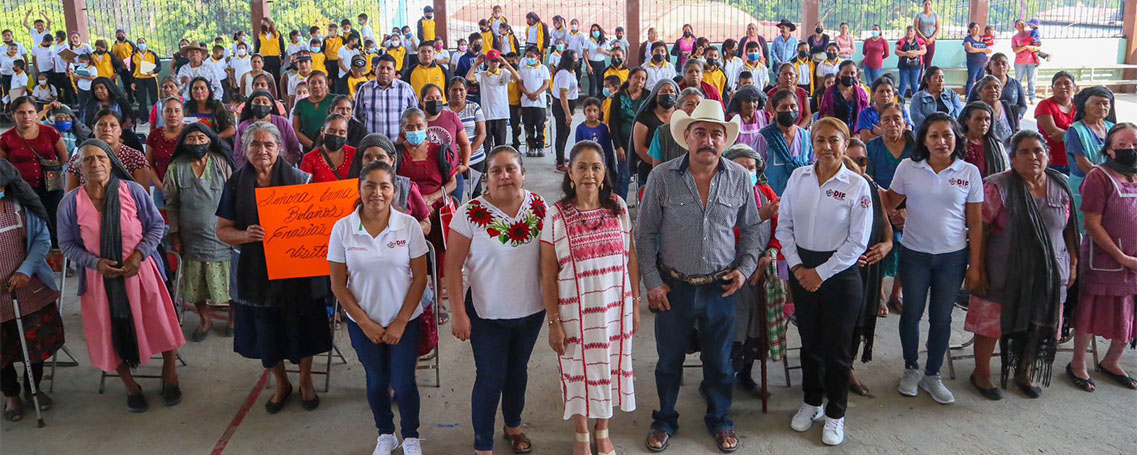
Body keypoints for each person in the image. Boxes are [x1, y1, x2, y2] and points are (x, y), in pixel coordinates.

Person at [638, 98, 761, 453]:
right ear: (687, 137)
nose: (708, 140)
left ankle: (720, 420)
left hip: (720, 288)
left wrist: (744, 269)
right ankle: (663, 418)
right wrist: (652, 282)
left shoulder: (739, 178)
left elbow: (752, 229)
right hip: (672, 287)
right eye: (700, 133)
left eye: (715, 134)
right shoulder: (661, 178)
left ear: (725, 140)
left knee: (720, 362)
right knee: (668, 361)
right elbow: (644, 234)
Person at [58, 139, 186, 412]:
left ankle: (170, 373)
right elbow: (67, 245)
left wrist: (139, 255)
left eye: (101, 158)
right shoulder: (70, 203)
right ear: (80, 167)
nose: (95, 164)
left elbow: (156, 227)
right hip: (99, 279)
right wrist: (94, 262)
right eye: (89, 159)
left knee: (161, 323)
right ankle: (130, 385)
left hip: (141, 271)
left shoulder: (133, 191)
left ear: (111, 163)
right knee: (108, 333)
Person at [216, 122, 331, 414]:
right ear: (244, 149)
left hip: (298, 271)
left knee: (302, 329)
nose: (262, 150)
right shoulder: (235, 183)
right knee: (267, 334)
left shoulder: (301, 180)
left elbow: (318, 225)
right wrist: (246, 236)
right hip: (256, 275)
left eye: (269, 144)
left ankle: (305, 381)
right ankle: (282, 383)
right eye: (254, 144)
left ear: (280, 148)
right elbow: (222, 230)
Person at [445, 146, 547, 455]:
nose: (504, 176)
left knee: (518, 372)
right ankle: (483, 445)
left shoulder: (539, 207)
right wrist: (458, 313)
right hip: (486, 314)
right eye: (496, 171)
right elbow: (452, 267)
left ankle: (513, 426)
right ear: (486, 177)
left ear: (522, 174)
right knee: (490, 378)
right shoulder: (469, 214)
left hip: (531, 311)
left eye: (510, 169)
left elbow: (550, 260)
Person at [777, 117, 872, 446]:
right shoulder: (798, 178)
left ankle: (835, 412)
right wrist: (798, 266)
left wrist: (821, 272)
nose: (827, 147)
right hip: (802, 268)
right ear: (812, 144)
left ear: (845, 144)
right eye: (820, 140)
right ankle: (811, 401)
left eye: (834, 140)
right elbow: (784, 226)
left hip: (840, 274)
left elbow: (858, 242)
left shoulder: (857, 185)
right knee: (810, 342)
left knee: (837, 348)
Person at [540, 140, 639, 455]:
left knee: (609, 367)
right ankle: (581, 433)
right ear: (570, 172)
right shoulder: (555, 216)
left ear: (605, 172)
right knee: (578, 371)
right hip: (574, 314)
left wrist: (635, 304)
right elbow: (547, 273)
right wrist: (554, 321)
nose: (589, 174)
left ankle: (603, 430)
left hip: (615, 310)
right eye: (581, 167)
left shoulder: (619, 207)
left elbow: (631, 257)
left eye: (596, 167)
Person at [964, 130, 1078, 400]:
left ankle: (1023, 373)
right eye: (1024, 152)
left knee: (1038, 325)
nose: (1033, 157)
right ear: (1012, 158)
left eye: (1038, 151)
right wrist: (976, 267)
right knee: (991, 325)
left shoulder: (1060, 186)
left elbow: (1070, 229)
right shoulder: (996, 187)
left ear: (1047, 155)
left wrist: (1073, 261)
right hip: (1003, 273)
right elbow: (980, 229)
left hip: (1049, 275)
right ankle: (981, 373)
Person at [328, 159, 428, 455]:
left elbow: (420, 278)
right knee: (376, 381)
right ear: (359, 189)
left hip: (405, 320)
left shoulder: (408, 226)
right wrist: (364, 322)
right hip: (363, 322)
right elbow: (338, 285)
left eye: (384, 186)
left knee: (404, 381)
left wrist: (400, 321)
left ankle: (410, 436)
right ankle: (386, 433)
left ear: (394, 191)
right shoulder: (343, 229)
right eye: (369, 186)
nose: (377, 193)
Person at [884, 112, 984, 405]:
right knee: (911, 314)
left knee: (941, 318)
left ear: (957, 138)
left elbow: (976, 223)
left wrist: (974, 265)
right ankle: (911, 367)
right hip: (915, 255)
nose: (941, 142)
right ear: (924, 140)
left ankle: (932, 374)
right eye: (934, 136)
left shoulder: (969, 173)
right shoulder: (908, 168)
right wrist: (860, 181)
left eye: (948, 135)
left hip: (952, 258)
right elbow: (889, 202)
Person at [1068, 122, 1137, 392]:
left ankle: (1111, 361)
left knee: (1130, 313)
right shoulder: (1098, 176)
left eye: (1134, 144)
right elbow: (1092, 224)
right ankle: (1077, 364)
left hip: (1135, 262)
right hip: (1105, 259)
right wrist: (1122, 257)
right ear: (1108, 149)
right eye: (1122, 145)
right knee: (1089, 313)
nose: (1130, 150)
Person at [0, 154, 64, 423]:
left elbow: (41, 240)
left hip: (29, 289)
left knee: (35, 345)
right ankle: (10, 394)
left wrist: (25, 270)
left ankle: (33, 388)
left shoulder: (21, 207)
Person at [163, 122, 235, 341]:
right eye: (191, 139)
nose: (196, 143)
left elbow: (234, 196)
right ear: (184, 142)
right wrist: (174, 235)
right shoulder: (176, 167)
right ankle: (205, 320)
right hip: (191, 238)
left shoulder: (221, 163)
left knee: (230, 282)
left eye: (201, 139)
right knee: (195, 284)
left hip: (223, 235)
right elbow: (171, 203)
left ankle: (233, 319)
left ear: (210, 140)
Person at [841, 140, 894, 397]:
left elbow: (885, 224)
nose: (857, 167)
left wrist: (886, 245)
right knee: (841, 320)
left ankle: (847, 368)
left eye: (861, 161)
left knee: (860, 319)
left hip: (870, 264)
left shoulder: (871, 185)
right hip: (841, 268)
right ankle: (832, 370)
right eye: (850, 161)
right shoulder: (833, 187)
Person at [864, 102, 914, 308]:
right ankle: (880, 293)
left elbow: (922, 184)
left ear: (904, 122)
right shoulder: (873, 147)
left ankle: (897, 293)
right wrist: (888, 210)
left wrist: (906, 212)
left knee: (908, 247)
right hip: (879, 206)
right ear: (879, 123)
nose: (892, 124)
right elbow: (868, 181)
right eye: (886, 119)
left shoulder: (915, 147)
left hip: (911, 209)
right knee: (880, 241)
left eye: (897, 119)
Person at [0, 97, 68, 241]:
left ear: (37, 113)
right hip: (21, 191)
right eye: (21, 113)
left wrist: (54, 171)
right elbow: (3, 168)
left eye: (30, 112)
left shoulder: (50, 132)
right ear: (13, 115)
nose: (26, 116)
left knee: (54, 222)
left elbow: (63, 157)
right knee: (29, 226)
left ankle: (57, 257)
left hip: (51, 189)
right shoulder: (6, 139)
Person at [348, 134, 432, 234]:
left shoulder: (407, 187)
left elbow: (426, 226)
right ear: (361, 160)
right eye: (368, 157)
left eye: (380, 157)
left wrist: (402, 229)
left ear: (392, 160)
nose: (373, 162)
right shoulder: (348, 190)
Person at [66, 110, 151, 191]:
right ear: (93, 129)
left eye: (113, 125)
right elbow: (70, 197)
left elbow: (142, 198)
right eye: (101, 125)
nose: (107, 129)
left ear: (120, 130)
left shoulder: (135, 158)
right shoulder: (80, 158)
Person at [1065, 87, 1116, 216]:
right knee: (1085, 225)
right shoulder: (1075, 131)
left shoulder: (1112, 128)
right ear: (1084, 106)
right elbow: (1083, 163)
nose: (1102, 107)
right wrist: (1107, 182)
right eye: (1096, 103)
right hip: (1083, 185)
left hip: (1109, 185)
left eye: (1105, 103)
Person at [758, 89, 813, 195]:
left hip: (802, 197)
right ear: (774, 112)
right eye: (783, 107)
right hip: (773, 201)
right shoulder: (764, 138)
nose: (789, 110)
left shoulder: (807, 137)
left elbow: (815, 167)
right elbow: (756, 171)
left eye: (793, 106)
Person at [466, 49, 519, 157]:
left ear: (500, 61)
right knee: (486, 145)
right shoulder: (483, 75)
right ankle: (486, 169)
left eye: (496, 61)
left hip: (501, 115)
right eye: (491, 61)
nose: (494, 63)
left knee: (500, 147)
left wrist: (507, 64)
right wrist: (476, 64)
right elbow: (468, 77)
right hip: (487, 115)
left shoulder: (504, 73)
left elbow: (517, 77)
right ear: (487, 62)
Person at [354, 54, 419, 142]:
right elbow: (359, 116)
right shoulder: (365, 89)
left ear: (395, 71)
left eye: (389, 68)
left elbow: (415, 115)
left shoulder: (405, 89)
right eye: (381, 68)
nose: (384, 71)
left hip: (399, 144)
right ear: (375, 69)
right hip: (373, 144)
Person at [606, 67, 649, 199]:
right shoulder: (619, 96)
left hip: (644, 144)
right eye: (636, 77)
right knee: (624, 177)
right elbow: (613, 122)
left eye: (642, 79)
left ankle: (645, 208)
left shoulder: (648, 96)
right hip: (625, 144)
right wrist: (618, 146)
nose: (639, 81)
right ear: (629, 78)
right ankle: (619, 208)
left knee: (644, 179)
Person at [235, 90, 302, 166]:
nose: (261, 104)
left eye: (265, 102)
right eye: (257, 102)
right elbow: (238, 155)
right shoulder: (243, 126)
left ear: (271, 106)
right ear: (251, 105)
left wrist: (284, 167)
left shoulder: (283, 122)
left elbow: (295, 150)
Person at [447, 77, 487, 195]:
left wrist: (466, 155)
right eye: (454, 90)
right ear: (448, 91)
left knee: (475, 192)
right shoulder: (443, 109)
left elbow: (482, 134)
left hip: (475, 158)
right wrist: (455, 157)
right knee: (452, 193)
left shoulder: (474, 107)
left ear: (466, 91)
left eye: (461, 90)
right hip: (450, 161)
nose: (458, 93)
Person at [967, 54, 1027, 125]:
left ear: (1008, 66)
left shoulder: (1016, 84)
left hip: (1011, 124)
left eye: (1004, 64)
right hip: (985, 124)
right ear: (990, 66)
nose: (1001, 66)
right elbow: (969, 106)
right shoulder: (980, 85)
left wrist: (1017, 116)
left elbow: (1023, 105)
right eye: (996, 64)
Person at [1036, 72, 1077, 174]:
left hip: (1078, 159)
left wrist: (1065, 134)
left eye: (1067, 83)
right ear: (1052, 88)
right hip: (1053, 161)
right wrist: (1078, 136)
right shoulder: (1045, 105)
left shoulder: (1080, 105)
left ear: (1074, 87)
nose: (1062, 87)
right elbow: (1053, 134)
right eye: (1058, 84)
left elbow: (1088, 130)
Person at [958, 101, 1012, 178]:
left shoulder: (996, 145)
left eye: (987, 119)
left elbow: (1006, 170)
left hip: (991, 188)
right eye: (978, 119)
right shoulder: (958, 144)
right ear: (967, 121)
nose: (984, 123)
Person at [518, 46, 551, 157]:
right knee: (529, 126)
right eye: (527, 56)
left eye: (532, 56)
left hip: (540, 103)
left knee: (540, 126)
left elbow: (546, 84)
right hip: (526, 103)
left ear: (538, 57)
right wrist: (528, 94)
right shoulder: (523, 69)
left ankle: (541, 146)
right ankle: (531, 146)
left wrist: (536, 93)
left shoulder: (543, 69)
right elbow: (520, 84)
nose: (529, 58)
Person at [856, 77, 912, 143]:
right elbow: (866, 138)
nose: (885, 94)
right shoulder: (866, 114)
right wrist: (894, 136)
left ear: (893, 94)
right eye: (881, 91)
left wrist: (880, 132)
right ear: (873, 94)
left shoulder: (901, 110)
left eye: (888, 91)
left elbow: (908, 133)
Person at [817, 61, 869, 131]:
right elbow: (823, 113)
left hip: (857, 134)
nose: (849, 75)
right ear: (839, 75)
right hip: (835, 132)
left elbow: (866, 114)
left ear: (856, 75)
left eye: (852, 73)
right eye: (846, 73)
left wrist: (861, 133)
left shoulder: (861, 92)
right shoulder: (830, 92)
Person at [145, 98, 185, 184]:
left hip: (188, 188)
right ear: (162, 114)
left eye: (177, 111)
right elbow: (149, 164)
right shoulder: (154, 135)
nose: (173, 115)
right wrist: (160, 186)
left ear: (183, 114)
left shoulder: (191, 133)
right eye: (168, 111)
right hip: (162, 187)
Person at [553, 50, 581, 170]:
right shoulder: (564, 73)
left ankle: (561, 155)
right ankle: (560, 163)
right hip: (562, 107)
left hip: (569, 105)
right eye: (575, 59)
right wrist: (567, 114)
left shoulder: (571, 71)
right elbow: (563, 95)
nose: (577, 61)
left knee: (566, 131)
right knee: (562, 133)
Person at [292, 71, 335, 149]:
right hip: (309, 150)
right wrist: (314, 146)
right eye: (313, 83)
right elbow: (296, 130)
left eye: (320, 82)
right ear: (308, 85)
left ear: (326, 84)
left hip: (333, 148)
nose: (317, 86)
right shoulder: (301, 104)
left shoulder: (335, 100)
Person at [973, 76, 1019, 149]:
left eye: (996, 87)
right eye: (988, 87)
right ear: (980, 93)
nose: (993, 90)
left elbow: (1017, 131)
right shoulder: (974, 111)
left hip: (1009, 155)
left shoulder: (1010, 109)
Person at [767, 64, 812, 129]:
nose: (788, 77)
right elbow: (769, 116)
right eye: (784, 74)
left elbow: (807, 115)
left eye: (791, 74)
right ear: (779, 77)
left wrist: (797, 131)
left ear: (796, 77)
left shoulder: (802, 93)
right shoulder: (771, 94)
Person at [727, 84, 768, 155]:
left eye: (754, 101)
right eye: (747, 101)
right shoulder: (731, 118)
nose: (751, 105)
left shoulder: (764, 117)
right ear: (739, 103)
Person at [129, 38, 160, 124]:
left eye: (143, 42)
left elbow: (159, 66)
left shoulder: (152, 54)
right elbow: (132, 69)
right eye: (139, 42)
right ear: (137, 44)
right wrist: (132, 82)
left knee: (154, 98)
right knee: (142, 100)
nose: (141, 44)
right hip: (139, 79)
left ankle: (157, 116)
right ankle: (144, 118)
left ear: (146, 43)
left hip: (151, 78)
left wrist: (153, 71)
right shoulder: (134, 55)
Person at [1012, 20, 1041, 104]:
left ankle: (1032, 96)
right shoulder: (1015, 37)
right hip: (1019, 62)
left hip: (1032, 60)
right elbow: (1015, 50)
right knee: (1018, 80)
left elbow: (1039, 46)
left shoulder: (1032, 33)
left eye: (1022, 23)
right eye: (1018, 24)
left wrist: (1032, 48)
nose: (1020, 25)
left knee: (1032, 80)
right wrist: (1026, 47)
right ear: (1015, 27)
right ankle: (1018, 97)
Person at [895, 26, 927, 98]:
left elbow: (924, 51)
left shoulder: (920, 41)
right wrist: (905, 53)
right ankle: (900, 100)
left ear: (915, 32)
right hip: (904, 66)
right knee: (903, 83)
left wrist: (916, 53)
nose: (909, 32)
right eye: (908, 31)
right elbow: (896, 51)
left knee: (914, 84)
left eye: (911, 31)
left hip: (916, 67)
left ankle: (916, 99)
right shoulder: (901, 41)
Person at [962, 22, 992, 98]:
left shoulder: (982, 38)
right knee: (971, 79)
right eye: (975, 28)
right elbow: (970, 49)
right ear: (970, 29)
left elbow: (989, 47)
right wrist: (983, 50)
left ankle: (979, 96)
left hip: (983, 63)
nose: (977, 30)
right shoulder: (968, 39)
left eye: (978, 28)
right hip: (973, 62)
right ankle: (968, 96)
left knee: (981, 80)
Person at [914, 0, 941, 68]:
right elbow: (916, 28)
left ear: (931, 5)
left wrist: (931, 38)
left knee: (928, 62)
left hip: (931, 41)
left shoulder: (935, 16)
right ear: (923, 5)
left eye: (929, 4)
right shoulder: (919, 16)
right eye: (925, 4)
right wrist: (925, 39)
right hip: (921, 41)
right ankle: (920, 77)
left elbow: (938, 28)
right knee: (920, 61)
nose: (927, 6)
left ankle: (927, 77)